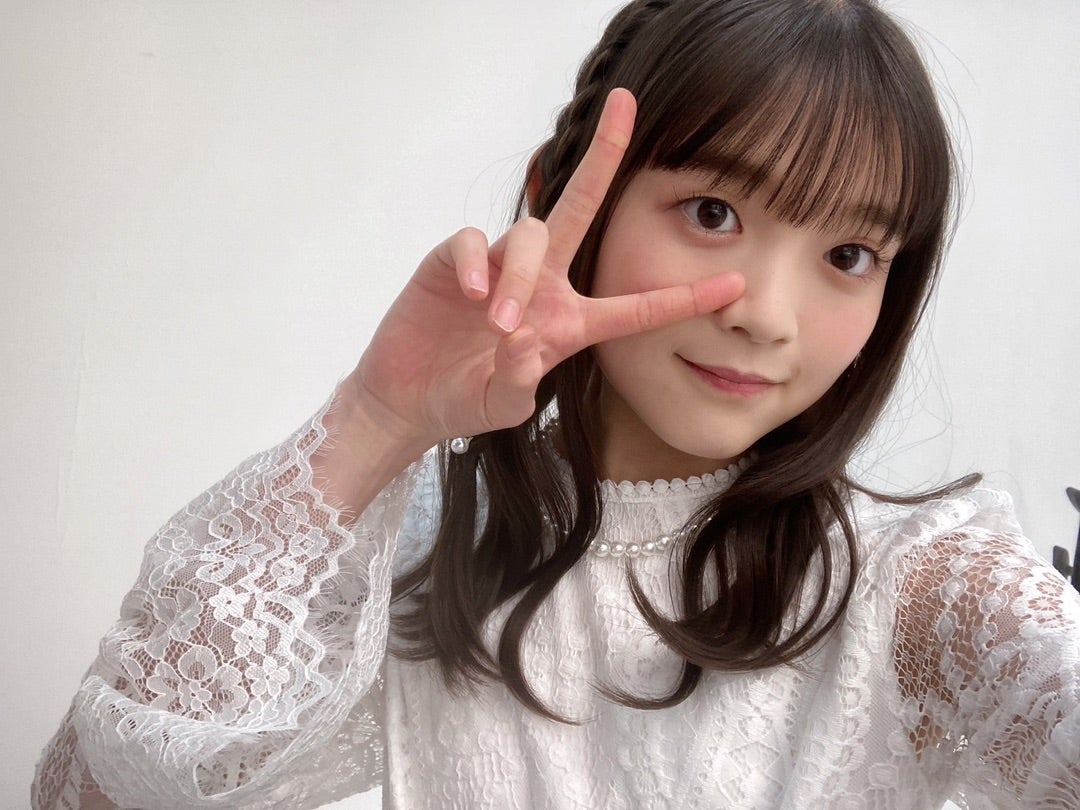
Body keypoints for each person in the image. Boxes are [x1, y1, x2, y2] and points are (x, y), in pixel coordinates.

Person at [31, 0, 1080, 807]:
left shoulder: (918, 588)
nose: (767, 315)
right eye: (713, 211)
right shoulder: (419, 549)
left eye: (849, 254)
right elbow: (99, 788)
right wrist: (374, 424)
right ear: (560, 192)